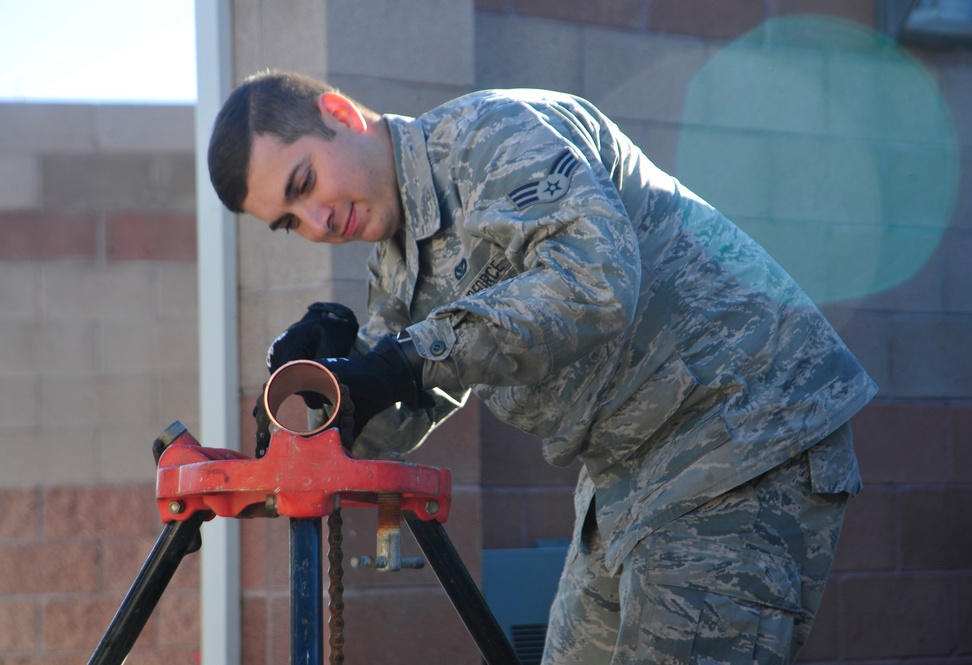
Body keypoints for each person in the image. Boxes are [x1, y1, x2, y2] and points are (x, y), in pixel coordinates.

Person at [208, 70, 877, 664]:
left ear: (339, 114)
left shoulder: (491, 135)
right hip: (633, 475)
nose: (318, 219)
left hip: (741, 427)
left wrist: (404, 358)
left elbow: (594, 281)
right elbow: (407, 402)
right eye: (290, 222)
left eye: (304, 184)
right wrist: (328, 386)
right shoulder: (395, 257)